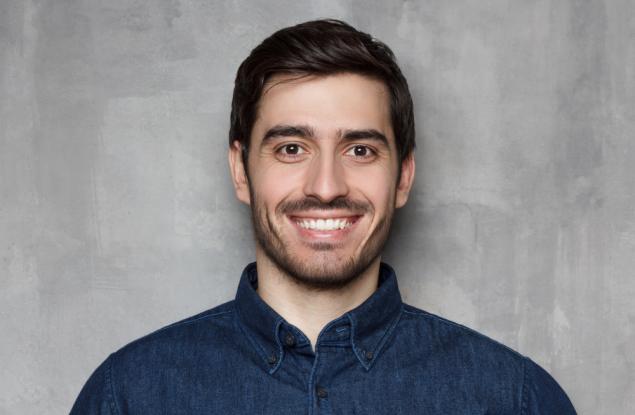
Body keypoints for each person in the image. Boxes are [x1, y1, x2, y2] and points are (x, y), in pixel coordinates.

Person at [71, 19, 576, 414]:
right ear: (241, 172)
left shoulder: (515, 400)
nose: (327, 186)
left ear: (403, 177)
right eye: (291, 148)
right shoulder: (128, 397)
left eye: (360, 150)